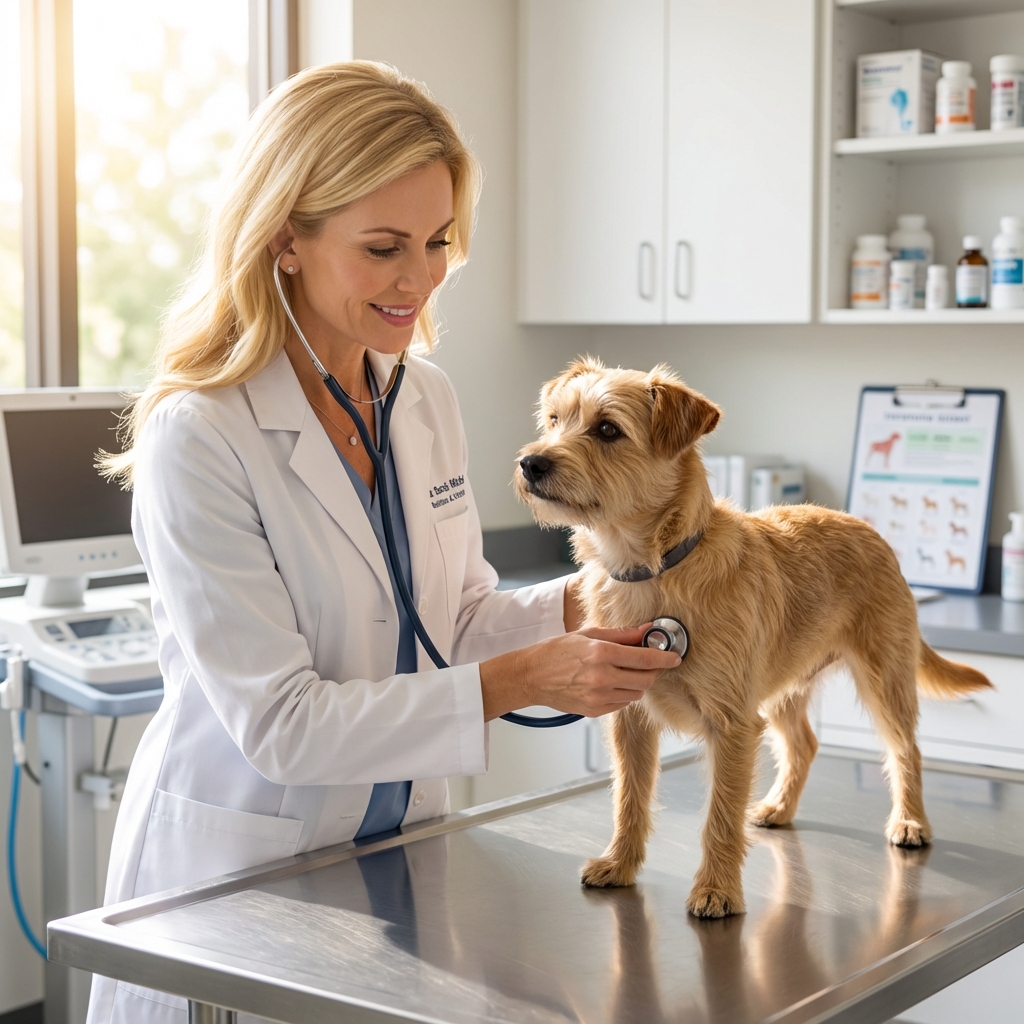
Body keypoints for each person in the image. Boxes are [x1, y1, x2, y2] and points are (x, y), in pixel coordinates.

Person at [88, 62, 679, 1023]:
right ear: (286, 237)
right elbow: (282, 725)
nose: (421, 277)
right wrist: (524, 681)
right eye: (383, 246)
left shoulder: (421, 397)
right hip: (236, 880)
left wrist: (599, 597)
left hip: (392, 862)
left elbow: (451, 615)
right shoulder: (199, 434)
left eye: (439, 241)